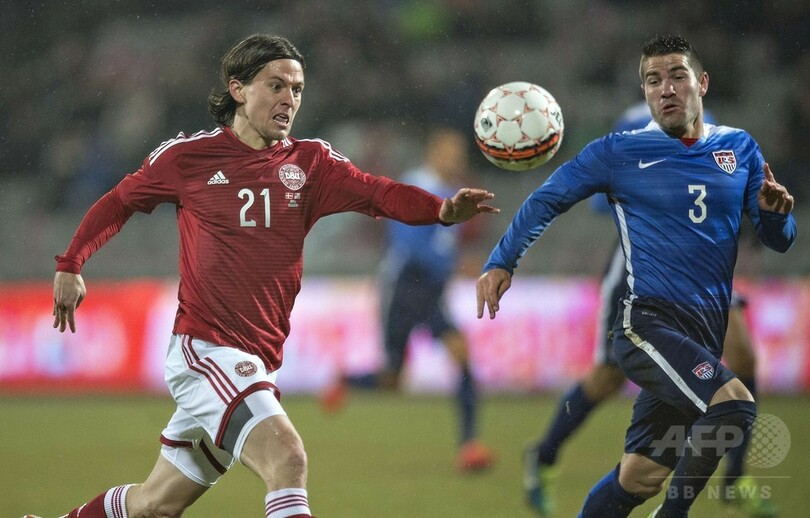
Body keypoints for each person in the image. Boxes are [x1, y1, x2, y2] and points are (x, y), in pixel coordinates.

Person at [46, 34, 499, 518]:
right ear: (238, 89)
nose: (289, 99)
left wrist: (441, 210)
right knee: (287, 457)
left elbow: (377, 193)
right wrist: (71, 263)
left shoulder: (311, 164)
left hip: (259, 359)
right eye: (276, 85)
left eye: (297, 89)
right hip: (207, 350)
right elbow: (120, 202)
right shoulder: (189, 158)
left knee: (154, 504)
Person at [476, 34, 795, 517]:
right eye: (652, 80)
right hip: (647, 326)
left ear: (702, 83)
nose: (665, 88)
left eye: (677, 76)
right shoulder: (619, 152)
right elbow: (548, 199)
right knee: (734, 405)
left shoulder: (739, 149)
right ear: (644, 92)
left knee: (640, 476)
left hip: (703, 334)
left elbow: (779, 239)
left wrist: (776, 216)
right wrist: (502, 260)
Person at [522, 103, 778, 517]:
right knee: (607, 377)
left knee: (744, 355)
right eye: (657, 78)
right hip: (643, 261)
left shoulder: (716, 126)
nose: (668, 86)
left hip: (703, 261)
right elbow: (602, 197)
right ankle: (545, 454)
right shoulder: (631, 123)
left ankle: (735, 478)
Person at [320, 127, 494, 472]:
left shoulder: (456, 193)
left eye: (459, 154)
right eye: (449, 152)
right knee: (392, 380)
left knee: (461, 354)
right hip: (404, 287)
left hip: (430, 291)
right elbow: (410, 246)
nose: (455, 159)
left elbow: (442, 246)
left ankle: (470, 446)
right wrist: (455, 265)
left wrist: (454, 264)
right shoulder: (417, 185)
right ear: (434, 153)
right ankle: (346, 380)